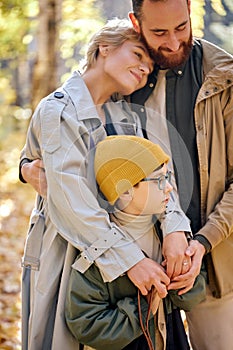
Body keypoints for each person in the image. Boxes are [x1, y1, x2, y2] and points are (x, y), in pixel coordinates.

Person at [20, 18, 191, 350]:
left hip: (142, 264)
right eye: (138, 55)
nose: (145, 69)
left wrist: (174, 229)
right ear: (103, 48)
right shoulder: (58, 110)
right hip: (75, 259)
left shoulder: (128, 115)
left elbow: (161, 175)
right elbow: (72, 202)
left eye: (149, 65)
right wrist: (129, 260)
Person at [126, 1, 233, 349]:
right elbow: (70, 109)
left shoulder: (225, 77)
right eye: (159, 33)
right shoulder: (119, 64)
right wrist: (27, 164)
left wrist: (201, 243)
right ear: (135, 23)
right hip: (137, 265)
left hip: (214, 262)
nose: (173, 43)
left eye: (182, 27)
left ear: (191, 10)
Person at [65, 135, 206, 350]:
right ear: (125, 190)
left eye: (167, 177)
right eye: (159, 180)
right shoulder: (101, 252)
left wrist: (185, 280)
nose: (168, 187)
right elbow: (85, 323)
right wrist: (145, 306)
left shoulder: (168, 237)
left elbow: (194, 295)